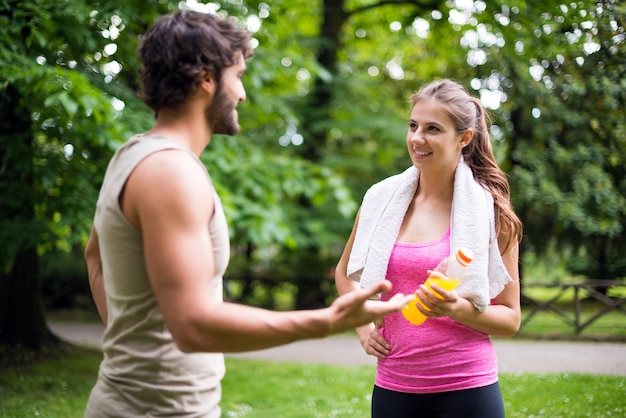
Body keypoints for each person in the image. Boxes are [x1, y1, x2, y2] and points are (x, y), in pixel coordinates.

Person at [83, 10, 414, 418]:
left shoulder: (132, 153)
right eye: (237, 76)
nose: (241, 94)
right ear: (206, 79)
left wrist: (130, 343)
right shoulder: (171, 172)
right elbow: (193, 326)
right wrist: (327, 322)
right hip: (157, 410)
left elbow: (95, 257)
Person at [335, 79, 523, 418]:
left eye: (433, 129)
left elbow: (510, 319)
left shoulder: (491, 213)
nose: (417, 138)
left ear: (464, 138)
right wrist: (364, 330)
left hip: (468, 387)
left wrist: (455, 308)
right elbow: (344, 274)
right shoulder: (380, 201)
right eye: (413, 125)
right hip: (394, 386)